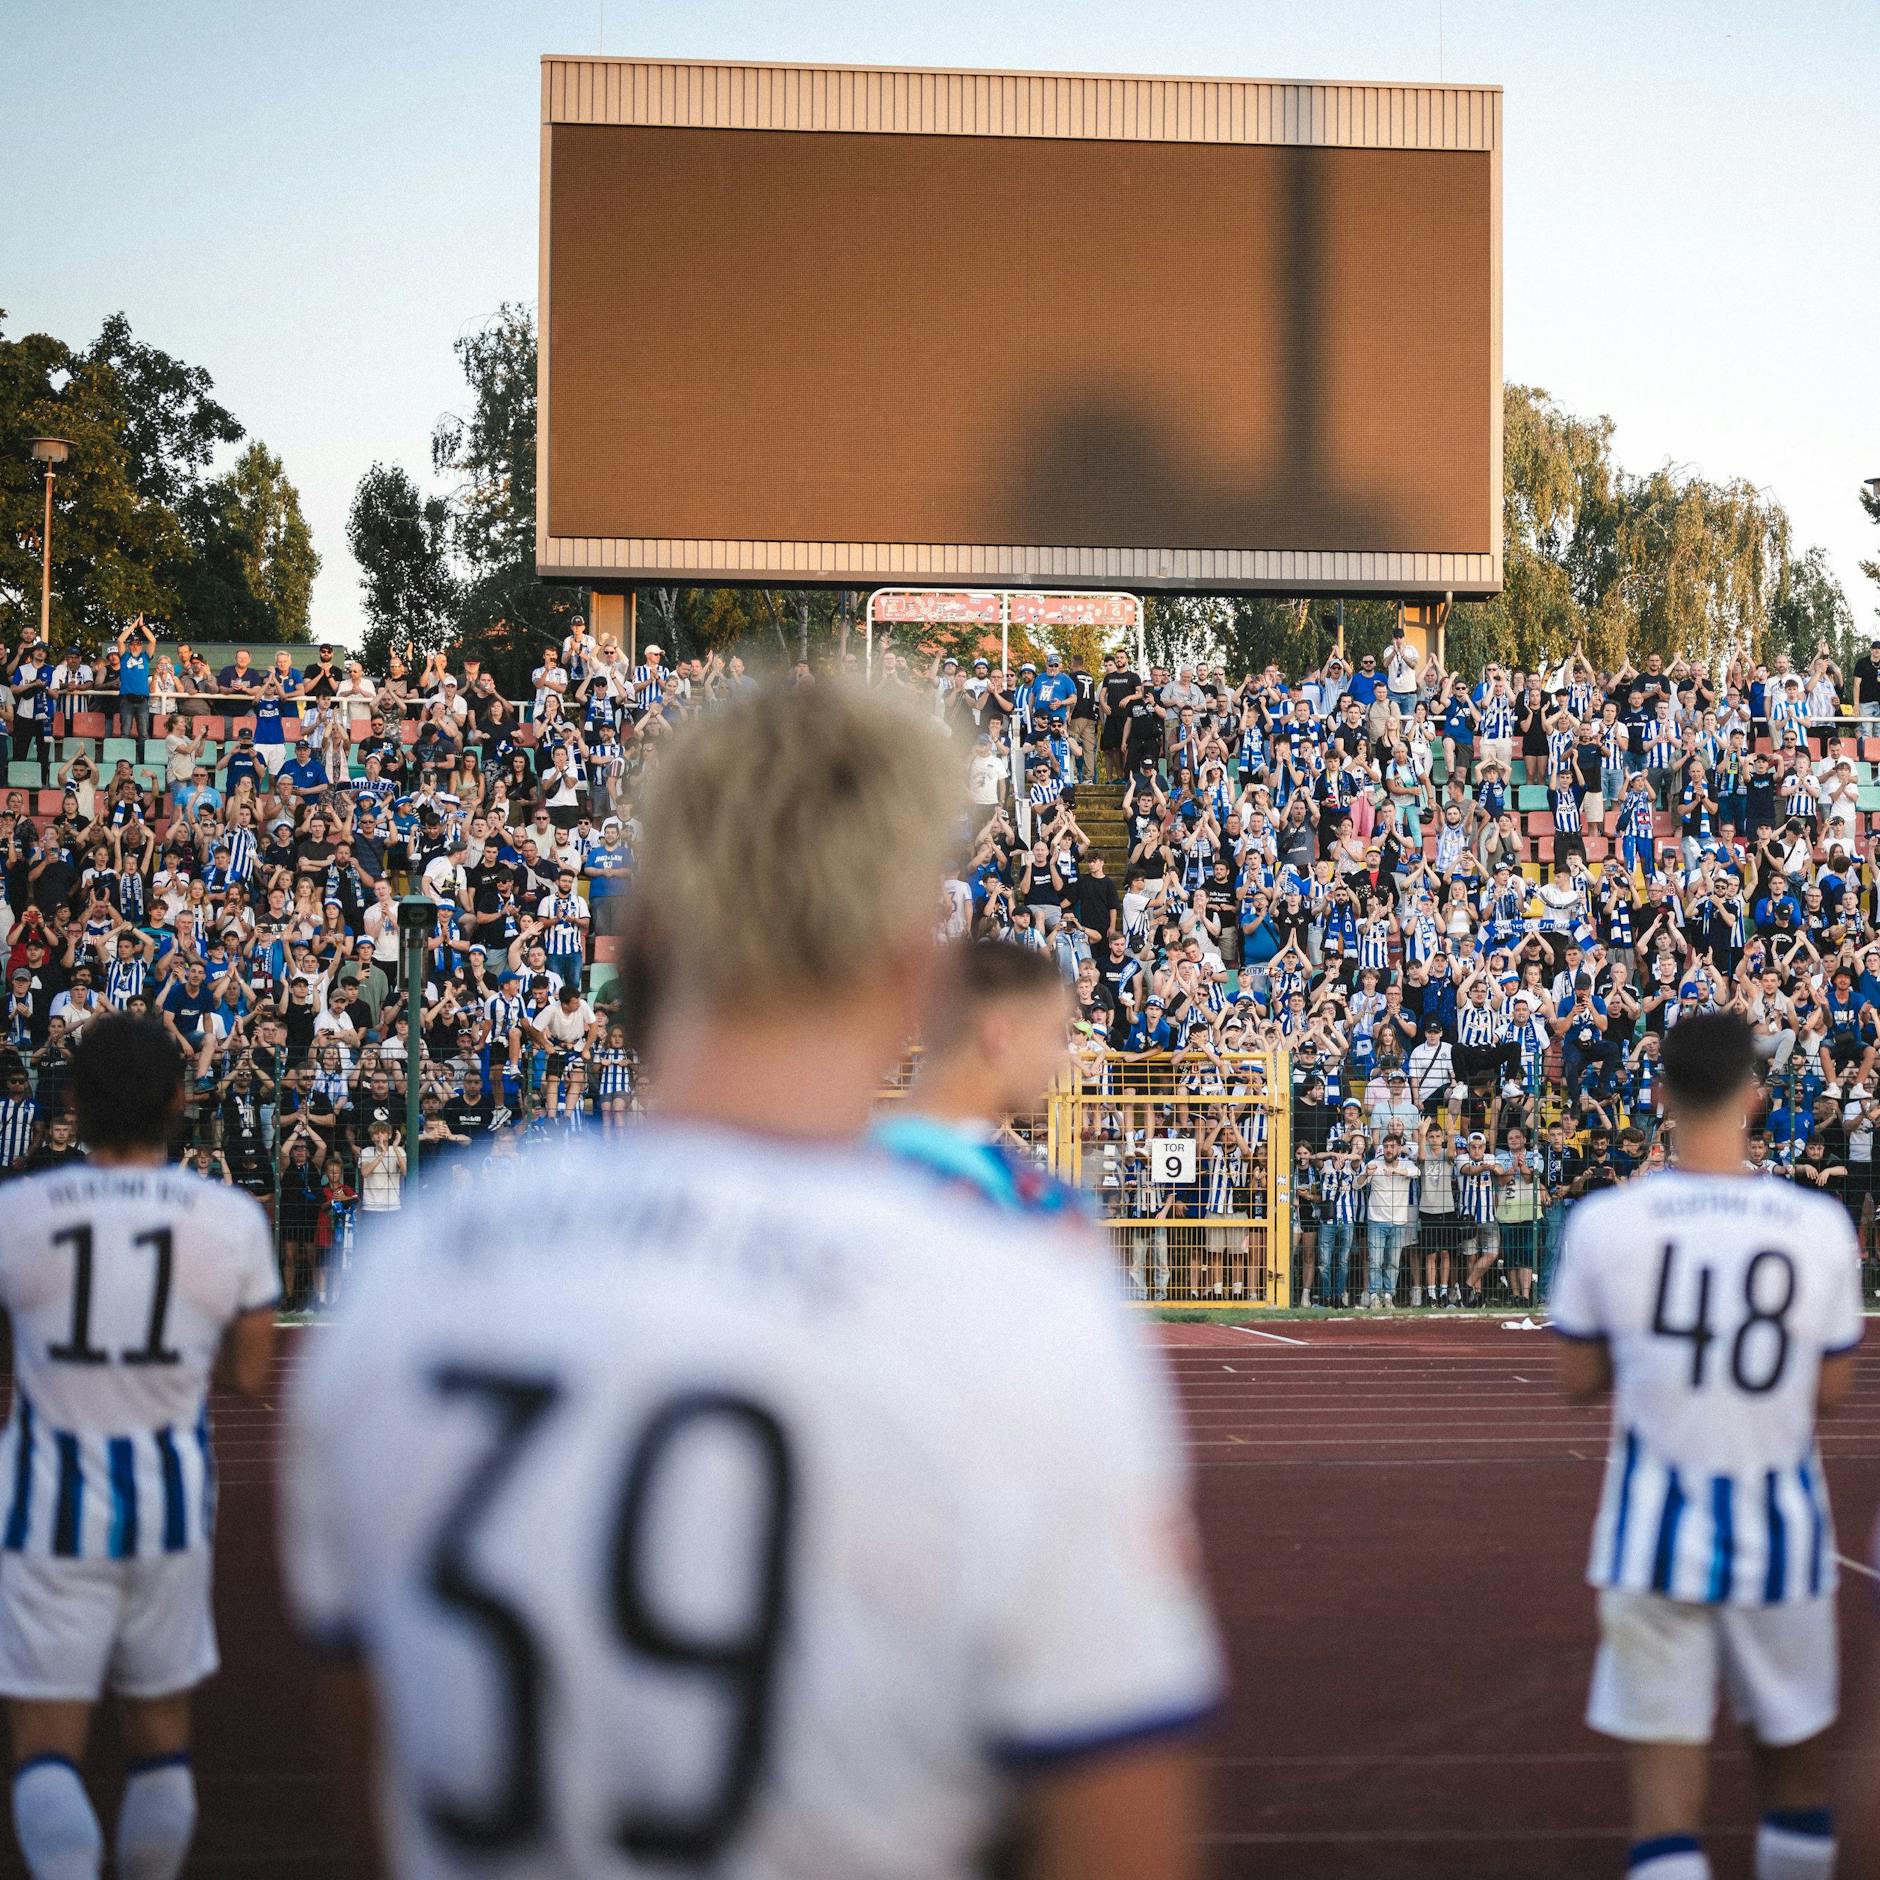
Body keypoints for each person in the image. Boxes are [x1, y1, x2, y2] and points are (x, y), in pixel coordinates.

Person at [282, 681, 1221, 1879]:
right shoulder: (1017, 1304)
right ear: (910, 965)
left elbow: (381, 1770)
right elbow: (1118, 1835)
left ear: (658, 930)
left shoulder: (412, 1270)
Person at [1552, 1011, 1861, 1880]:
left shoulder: (1611, 1222)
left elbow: (1576, 1381)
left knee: (1664, 1798)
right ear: (1756, 1096)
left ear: (1659, 1095)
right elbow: (1831, 1390)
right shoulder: (1816, 1226)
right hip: (1785, 1526)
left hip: (1653, 1530)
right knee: (1796, 1776)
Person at [0, 1016, 277, 1880]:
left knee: (46, 1752)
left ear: (73, 1102)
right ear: (180, 1099)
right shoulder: (228, 1217)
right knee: (161, 1746)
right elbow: (251, 1373)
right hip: (168, 1500)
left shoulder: (18, 1211)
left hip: (47, 1501)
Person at [871, 936, 1090, 1221]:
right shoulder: (1041, 1207)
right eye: (1051, 1036)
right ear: (1002, 1036)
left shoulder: (845, 1169)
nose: (1057, 1057)